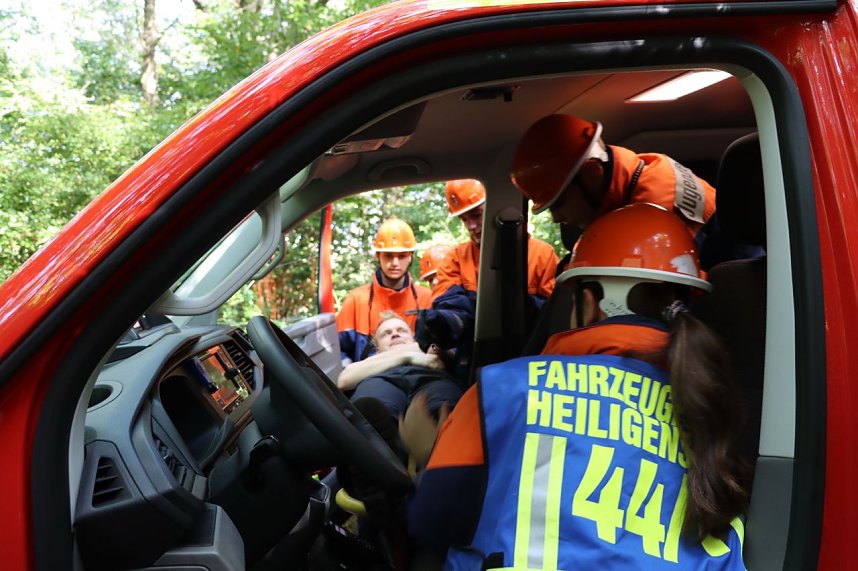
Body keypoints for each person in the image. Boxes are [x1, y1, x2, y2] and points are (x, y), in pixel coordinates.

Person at [405, 204, 748, 570]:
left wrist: (426, 452)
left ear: (589, 302)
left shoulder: (503, 389)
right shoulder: (711, 411)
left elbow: (432, 522)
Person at [417, 179, 559, 358]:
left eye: (476, 215)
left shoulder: (542, 254)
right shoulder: (455, 259)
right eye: (464, 219)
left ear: (497, 208)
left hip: (532, 352)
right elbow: (449, 303)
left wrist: (523, 306)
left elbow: (552, 315)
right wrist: (446, 322)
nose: (471, 226)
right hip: (475, 356)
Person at [510, 114, 716, 235]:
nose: (556, 218)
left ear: (591, 172)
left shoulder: (651, 217)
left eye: (559, 203)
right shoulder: (646, 170)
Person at [337, 218, 432, 364]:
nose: (395, 263)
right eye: (388, 255)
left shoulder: (426, 298)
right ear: (378, 256)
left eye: (401, 256)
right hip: (370, 379)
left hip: (419, 375)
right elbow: (338, 350)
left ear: (410, 256)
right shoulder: (357, 299)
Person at [338, 310, 463, 420]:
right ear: (377, 349)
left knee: (444, 406)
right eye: (386, 333)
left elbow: (454, 356)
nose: (395, 334)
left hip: (431, 378)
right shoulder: (371, 359)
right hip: (381, 380)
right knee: (373, 409)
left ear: (415, 338)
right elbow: (343, 381)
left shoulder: (429, 345)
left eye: (402, 330)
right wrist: (407, 356)